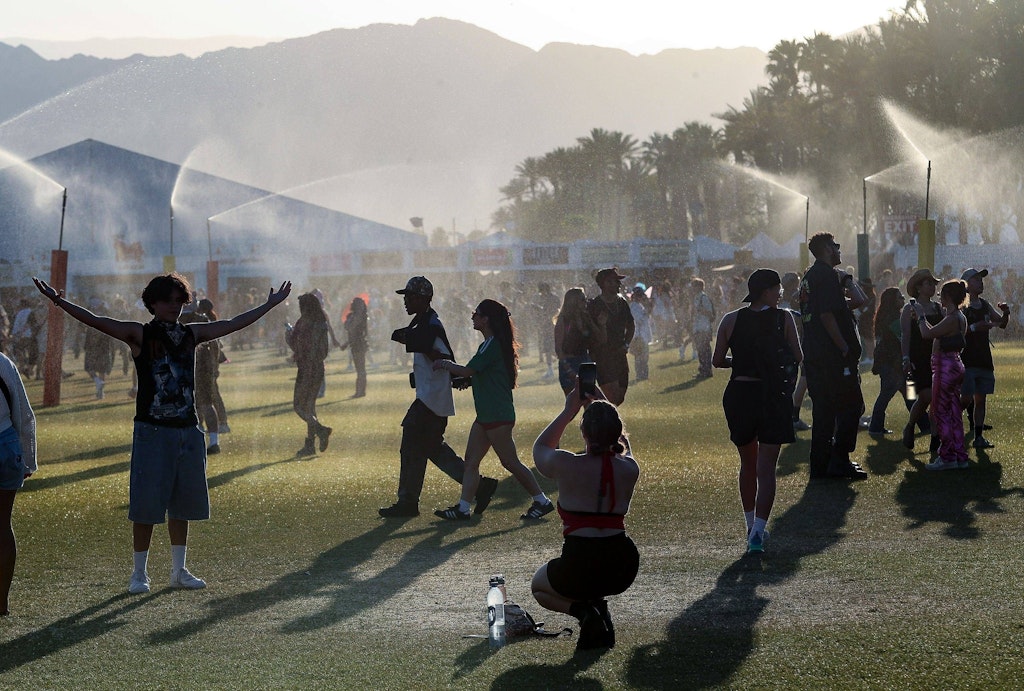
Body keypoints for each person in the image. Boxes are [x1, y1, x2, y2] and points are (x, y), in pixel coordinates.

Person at [33, 273, 291, 594]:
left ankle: (179, 570)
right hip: (152, 430)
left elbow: (234, 323)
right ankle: (138, 573)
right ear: (152, 303)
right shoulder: (139, 334)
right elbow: (97, 321)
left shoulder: (191, 334)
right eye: (167, 300)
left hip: (187, 428)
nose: (174, 306)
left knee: (182, 503)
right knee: (146, 503)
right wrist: (58, 301)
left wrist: (268, 305)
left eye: (179, 300)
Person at [378, 276, 498, 518]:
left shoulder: (430, 325)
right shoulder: (424, 322)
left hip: (431, 400)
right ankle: (480, 486)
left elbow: (435, 354)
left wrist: (454, 375)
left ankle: (408, 502)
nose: (405, 301)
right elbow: (425, 349)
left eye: (409, 296)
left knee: (412, 443)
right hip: (432, 398)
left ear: (423, 299)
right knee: (433, 449)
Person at [531, 389, 639, 650]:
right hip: (622, 566)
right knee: (597, 569)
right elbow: (624, 446)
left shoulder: (565, 463)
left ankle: (584, 613)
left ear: (584, 433)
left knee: (538, 586)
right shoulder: (629, 469)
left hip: (579, 564)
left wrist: (569, 409)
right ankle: (600, 612)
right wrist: (603, 402)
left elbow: (541, 448)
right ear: (617, 431)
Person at [432, 299, 554, 521]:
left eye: (476, 313)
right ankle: (463, 508)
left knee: (510, 462)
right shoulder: (490, 344)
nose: (472, 317)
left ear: (486, 319)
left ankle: (542, 501)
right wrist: (466, 381)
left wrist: (445, 364)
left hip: (497, 414)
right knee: (471, 462)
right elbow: (479, 375)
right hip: (487, 414)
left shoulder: (492, 344)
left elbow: (469, 370)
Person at [712, 269, 802, 553]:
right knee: (767, 468)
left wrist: (740, 360)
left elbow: (717, 360)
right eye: (777, 289)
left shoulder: (730, 319)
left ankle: (750, 524)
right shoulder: (783, 318)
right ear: (766, 291)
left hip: (740, 393)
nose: (781, 294)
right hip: (772, 396)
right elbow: (798, 356)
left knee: (747, 464)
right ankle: (758, 534)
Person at [799, 232, 868, 480]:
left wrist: (847, 281)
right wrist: (844, 347)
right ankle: (839, 460)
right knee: (852, 407)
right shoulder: (825, 275)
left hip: (817, 356)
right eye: (836, 246)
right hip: (832, 357)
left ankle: (821, 465)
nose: (839, 250)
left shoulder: (810, 276)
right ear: (827, 249)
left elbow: (855, 302)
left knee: (824, 412)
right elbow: (827, 315)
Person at [911, 280, 969, 470]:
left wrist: (920, 316)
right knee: (954, 412)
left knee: (938, 412)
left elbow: (927, 334)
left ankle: (947, 456)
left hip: (945, 367)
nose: (939, 298)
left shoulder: (952, 318)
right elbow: (935, 332)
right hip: (955, 365)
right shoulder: (959, 317)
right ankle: (959, 455)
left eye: (941, 295)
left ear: (947, 297)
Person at [958, 268, 1010, 450]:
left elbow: (1001, 325)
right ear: (966, 284)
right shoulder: (961, 307)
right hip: (967, 360)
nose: (981, 282)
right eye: (977, 280)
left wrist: (1006, 313)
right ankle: (947, 426)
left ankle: (978, 437)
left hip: (984, 360)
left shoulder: (985, 304)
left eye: (981, 279)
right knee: (964, 399)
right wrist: (973, 328)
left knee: (980, 400)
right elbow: (954, 332)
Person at [1, 350, 36, 615]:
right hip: (7, 447)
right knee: (2, 526)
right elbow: (23, 414)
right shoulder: (3, 362)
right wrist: (28, 459)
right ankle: (1, 602)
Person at [900, 269, 942, 451]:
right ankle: (910, 426)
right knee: (926, 396)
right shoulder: (909, 309)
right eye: (928, 283)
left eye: (934, 283)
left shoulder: (938, 308)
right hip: (918, 359)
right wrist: (906, 359)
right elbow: (905, 336)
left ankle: (935, 437)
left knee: (934, 399)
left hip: (937, 358)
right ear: (918, 287)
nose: (932, 286)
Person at [288, 293, 333, 457]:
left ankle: (321, 430)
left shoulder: (305, 322)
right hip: (318, 368)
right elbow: (322, 348)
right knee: (310, 407)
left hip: (307, 368)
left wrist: (289, 336)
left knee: (299, 406)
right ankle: (309, 445)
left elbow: (299, 345)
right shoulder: (321, 322)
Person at [587, 268, 634, 406]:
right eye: (614, 281)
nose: (618, 284)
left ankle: (597, 412)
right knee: (612, 398)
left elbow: (631, 326)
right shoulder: (595, 305)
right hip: (603, 356)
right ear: (605, 283)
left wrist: (626, 344)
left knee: (619, 398)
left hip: (620, 354)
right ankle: (602, 422)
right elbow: (589, 333)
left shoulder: (622, 303)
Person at [867, 287, 910, 436]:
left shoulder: (887, 315)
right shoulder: (892, 318)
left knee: (909, 394)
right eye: (900, 297)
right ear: (892, 300)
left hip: (893, 363)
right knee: (888, 394)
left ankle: (924, 424)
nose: (903, 299)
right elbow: (903, 337)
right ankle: (875, 427)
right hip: (892, 364)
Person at [554, 287, 601, 395]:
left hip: (585, 361)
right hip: (569, 362)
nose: (586, 302)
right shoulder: (563, 320)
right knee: (572, 403)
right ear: (573, 302)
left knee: (589, 401)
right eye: (582, 299)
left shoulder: (586, 318)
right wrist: (568, 369)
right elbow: (558, 348)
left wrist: (594, 322)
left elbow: (599, 338)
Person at [82, 297, 116, 399]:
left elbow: (84, 329)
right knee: (102, 369)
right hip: (105, 346)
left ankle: (98, 383)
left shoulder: (89, 316)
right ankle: (100, 391)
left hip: (93, 347)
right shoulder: (107, 314)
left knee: (89, 367)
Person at [339, 296, 369, 398]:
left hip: (358, 345)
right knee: (360, 369)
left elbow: (350, 328)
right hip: (357, 344)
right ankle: (360, 391)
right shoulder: (361, 316)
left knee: (360, 369)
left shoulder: (358, 317)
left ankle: (360, 391)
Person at [690, 278, 716, 378]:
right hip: (698, 327)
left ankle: (707, 370)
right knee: (700, 350)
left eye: (694, 286)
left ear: (699, 287)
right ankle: (703, 370)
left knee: (704, 350)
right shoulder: (696, 297)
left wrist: (701, 310)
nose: (692, 288)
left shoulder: (703, 298)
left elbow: (710, 313)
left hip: (704, 328)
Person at [628, 285, 652, 382]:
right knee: (640, 356)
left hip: (642, 335)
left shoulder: (638, 306)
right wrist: (647, 313)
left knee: (643, 356)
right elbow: (639, 320)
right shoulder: (634, 307)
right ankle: (641, 375)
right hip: (639, 335)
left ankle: (643, 374)